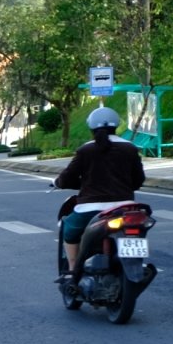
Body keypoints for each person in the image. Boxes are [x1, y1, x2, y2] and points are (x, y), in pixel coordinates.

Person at [52, 107, 146, 284]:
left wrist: (58, 183)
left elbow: (67, 177)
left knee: (69, 230)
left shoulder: (86, 150)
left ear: (91, 127)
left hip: (90, 210)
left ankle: (72, 271)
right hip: (125, 209)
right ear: (117, 125)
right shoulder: (130, 148)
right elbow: (138, 180)